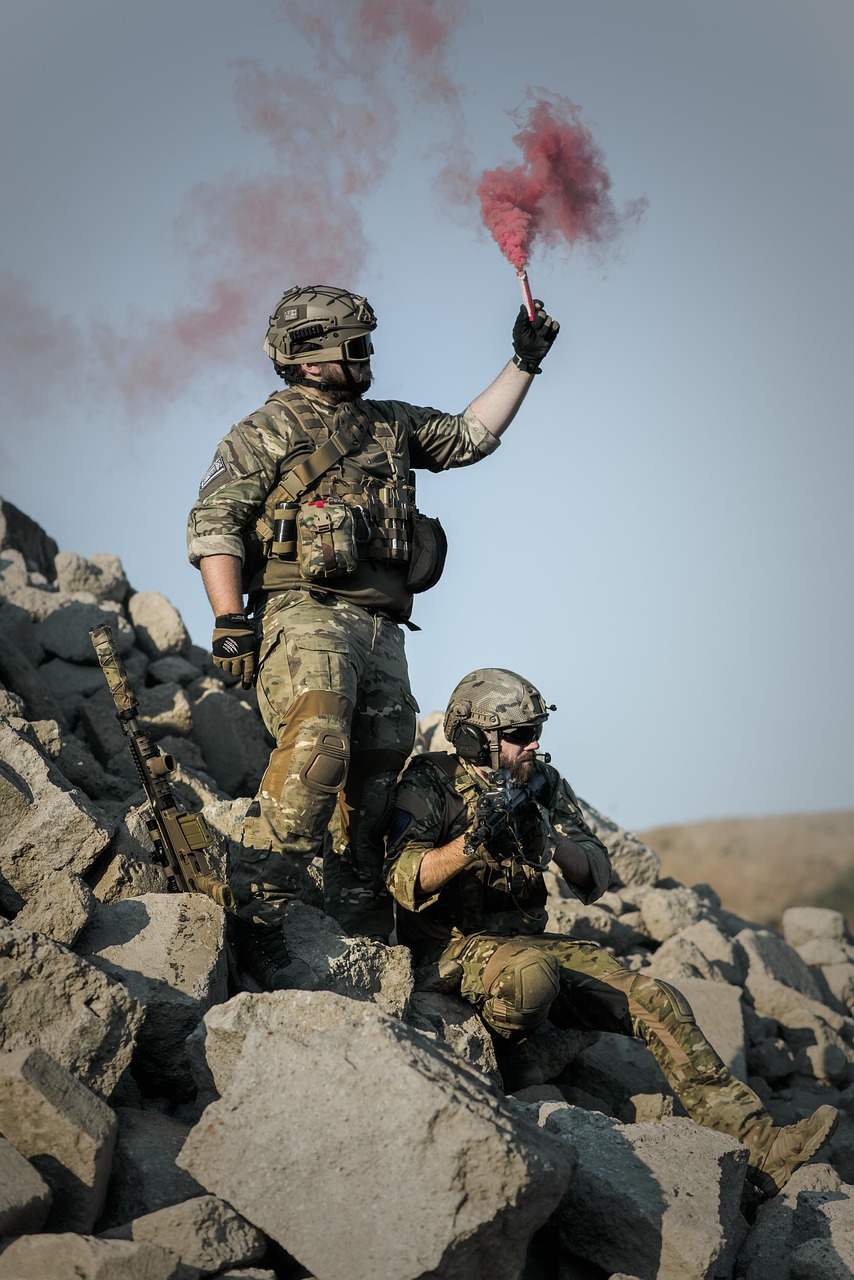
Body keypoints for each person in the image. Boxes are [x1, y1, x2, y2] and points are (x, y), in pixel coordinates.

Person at [187, 285, 559, 989]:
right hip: (304, 614)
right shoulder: (262, 432)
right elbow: (215, 525)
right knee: (319, 746)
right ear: (310, 355)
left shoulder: (388, 423)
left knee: (379, 782)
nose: (367, 358)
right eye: (355, 346)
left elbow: (468, 437)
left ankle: (354, 936)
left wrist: (524, 362)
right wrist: (231, 619)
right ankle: (257, 909)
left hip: (383, 630)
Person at [383, 667, 838, 1197]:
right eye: (518, 736)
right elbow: (404, 879)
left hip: (523, 942)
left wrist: (550, 840)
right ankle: (508, 1058)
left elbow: (596, 874)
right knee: (533, 976)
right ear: (472, 737)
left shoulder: (542, 786)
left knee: (655, 998)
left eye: (537, 733)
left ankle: (759, 1147)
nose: (533, 745)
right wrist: (472, 840)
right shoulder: (429, 782)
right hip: (448, 946)